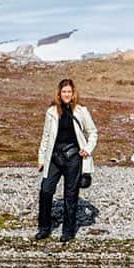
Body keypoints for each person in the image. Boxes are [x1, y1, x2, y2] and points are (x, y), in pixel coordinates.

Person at [36, 79, 98, 242]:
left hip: (73, 158)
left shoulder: (81, 111)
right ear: (59, 93)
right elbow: (46, 136)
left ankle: (68, 232)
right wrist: (41, 158)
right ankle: (44, 228)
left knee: (71, 195)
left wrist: (87, 149)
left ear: (73, 93)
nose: (66, 95)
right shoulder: (51, 111)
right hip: (54, 157)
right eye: (64, 92)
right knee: (46, 190)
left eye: (69, 92)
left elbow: (93, 132)